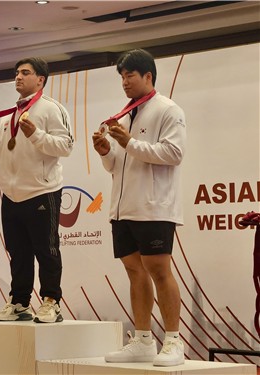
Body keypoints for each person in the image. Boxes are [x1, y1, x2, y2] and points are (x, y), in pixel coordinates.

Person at [92, 49, 186, 366]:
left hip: (154, 207)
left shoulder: (168, 110)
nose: (125, 81)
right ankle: (143, 339)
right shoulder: (125, 113)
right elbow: (118, 166)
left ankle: (173, 340)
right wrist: (107, 151)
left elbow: (173, 153)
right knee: (134, 273)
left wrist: (129, 142)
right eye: (121, 76)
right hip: (124, 208)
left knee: (160, 271)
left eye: (130, 75)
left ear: (148, 76)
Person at [0, 57, 73, 323]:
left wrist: (36, 135)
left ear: (40, 79)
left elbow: (65, 146)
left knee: (47, 251)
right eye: (16, 72)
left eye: (25, 73)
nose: (18, 77)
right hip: (12, 195)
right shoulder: (11, 115)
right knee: (19, 254)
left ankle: (52, 301)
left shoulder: (52, 109)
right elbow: (2, 154)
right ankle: (19, 302)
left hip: (42, 192)